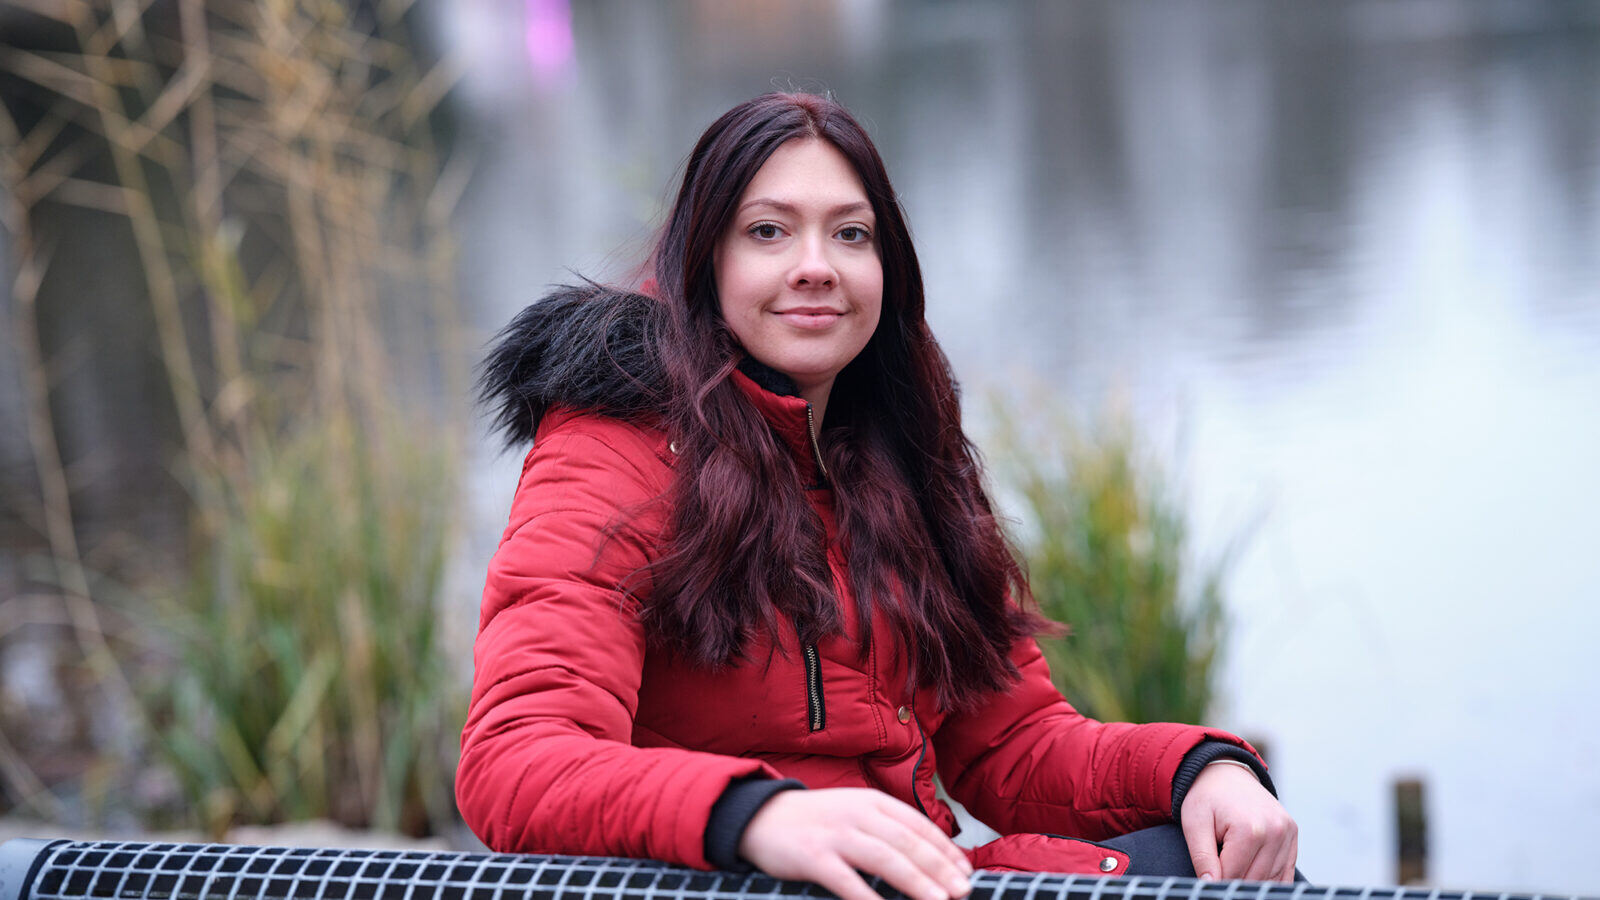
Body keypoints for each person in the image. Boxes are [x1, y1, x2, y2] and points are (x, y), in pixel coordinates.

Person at [456, 93, 1298, 897]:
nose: (815, 267)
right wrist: (758, 816)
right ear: (704, 261)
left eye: (850, 234)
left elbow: (1013, 745)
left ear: (886, 265)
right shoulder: (613, 449)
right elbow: (515, 760)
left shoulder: (901, 454)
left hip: (908, 878)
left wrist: (1199, 769)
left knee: (1236, 871)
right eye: (768, 232)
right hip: (725, 883)